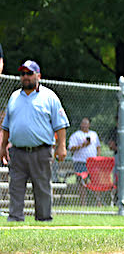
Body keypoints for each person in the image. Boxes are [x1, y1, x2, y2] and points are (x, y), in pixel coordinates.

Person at [0, 60, 70, 221]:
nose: (25, 77)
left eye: (29, 73)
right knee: (15, 187)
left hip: (41, 151)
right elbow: (6, 127)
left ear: (38, 75)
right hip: (17, 152)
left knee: (42, 187)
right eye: (23, 74)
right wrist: (3, 148)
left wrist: (61, 147)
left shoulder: (49, 97)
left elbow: (60, 125)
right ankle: (15, 218)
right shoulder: (14, 97)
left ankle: (44, 219)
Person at [68, 117, 101, 205]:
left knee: (95, 181)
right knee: (81, 182)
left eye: (86, 123)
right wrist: (82, 145)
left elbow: (98, 146)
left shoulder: (94, 134)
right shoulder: (76, 135)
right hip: (80, 161)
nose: (85, 125)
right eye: (83, 123)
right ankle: (83, 202)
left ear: (89, 124)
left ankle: (98, 202)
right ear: (81, 124)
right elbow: (71, 148)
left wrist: (98, 157)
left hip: (93, 162)